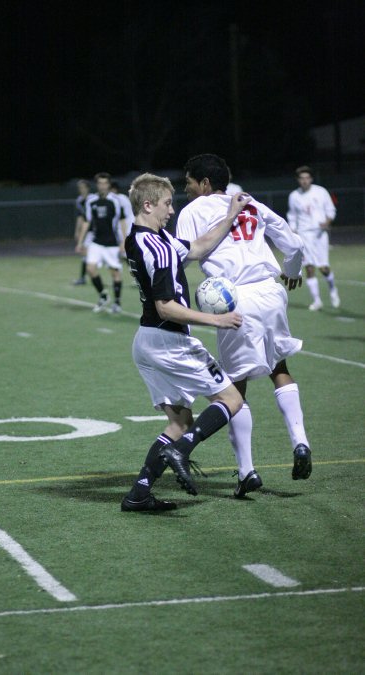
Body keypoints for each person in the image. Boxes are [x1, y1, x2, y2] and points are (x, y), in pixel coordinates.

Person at [176, 153, 312, 491]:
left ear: (204, 183)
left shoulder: (193, 211)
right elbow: (294, 243)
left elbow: (185, 254)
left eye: (189, 181)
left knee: (234, 385)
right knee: (279, 365)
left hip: (235, 298)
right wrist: (291, 272)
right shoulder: (250, 203)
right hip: (270, 291)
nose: (186, 188)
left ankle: (247, 470)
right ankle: (300, 441)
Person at [121, 172, 253, 513]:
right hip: (170, 342)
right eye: (167, 204)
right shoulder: (159, 248)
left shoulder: (146, 238)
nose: (171, 210)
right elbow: (166, 306)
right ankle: (181, 450)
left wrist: (230, 216)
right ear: (148, 204)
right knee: (232, 399)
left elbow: (198, 247)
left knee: (179, 423)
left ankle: (138, 494)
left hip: (147, 341)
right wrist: (216, 320)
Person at [287, 165, 339, 311]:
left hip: (319, 234)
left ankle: (332, 289)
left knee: (323, 268)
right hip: (304, 235)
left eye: (307, 178)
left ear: (311, 179)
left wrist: (327, 222)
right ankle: (317, 301)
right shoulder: (294, 196)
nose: (304, 181)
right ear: (298, 180)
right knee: (309, 267)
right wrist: (293, 231)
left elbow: (331, 210)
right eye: (301, 178)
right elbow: (292, 215)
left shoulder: (321, 192)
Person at [76, 172, 127, 314]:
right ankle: (103, 295)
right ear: (96, 185)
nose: (102, 186)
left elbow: (122, 221)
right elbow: (87, 221)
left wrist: (124, 240)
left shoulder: (115, 201)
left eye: (105, 183)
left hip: (112, 243)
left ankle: (117, 302)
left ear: (109, 185)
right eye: (100, 183)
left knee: (115, 273)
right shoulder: (91, 201)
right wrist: (80, 242)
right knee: (90, 268)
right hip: (96, 242)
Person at [72, 179, 95, 285]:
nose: (81, 190)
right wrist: (78, 231)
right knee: (85, 253)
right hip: (89, 231)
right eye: (79, 188)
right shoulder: (79, 200)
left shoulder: (93, 199)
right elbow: (80, 217)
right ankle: (83, 278)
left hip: (97, 230)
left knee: (120, 255)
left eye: (83, 187)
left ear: (88, 188)